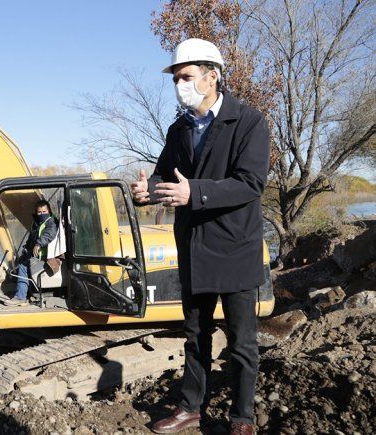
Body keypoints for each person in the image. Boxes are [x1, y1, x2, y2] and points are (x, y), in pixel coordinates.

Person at [130, 38, 269, 435]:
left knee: (242, 343)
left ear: (213, 76)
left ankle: (242, 418)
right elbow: (163, 176)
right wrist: (147, 191)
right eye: (176, 78)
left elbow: (251, 182)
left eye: (186, 76)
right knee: (195, 335)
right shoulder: (179, 129)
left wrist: (197, 192)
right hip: (193, 248)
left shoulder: (249, 122)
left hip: (236, 248)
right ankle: (190, 408)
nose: (179, 85)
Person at [6, 200, 57, 305]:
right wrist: (25, 249)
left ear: (49, 211)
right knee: (19, 263)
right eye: (39, 212)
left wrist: (38, 244)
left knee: (24, 267)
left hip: (45, 256)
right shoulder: (36, 223)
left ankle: (20, 297)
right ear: (36, 212)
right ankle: (27, 292)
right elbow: (31, 239)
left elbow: (48, 235)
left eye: (44, 211)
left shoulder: (51, 222)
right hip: (35, 254)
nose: (42, 214)